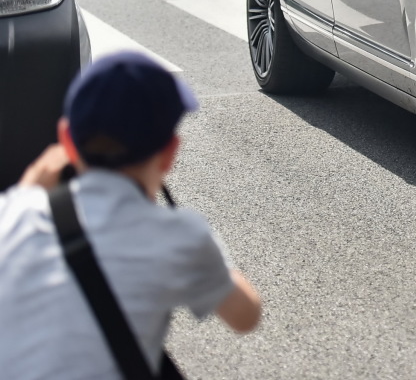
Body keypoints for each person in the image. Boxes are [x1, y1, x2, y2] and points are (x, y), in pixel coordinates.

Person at [0, 52, 261, 379]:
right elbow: (246, 316)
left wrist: (27, 188)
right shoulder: (179, 236)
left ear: (67, 141)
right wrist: (208, 255)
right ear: (169, 154)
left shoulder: (11, 213)